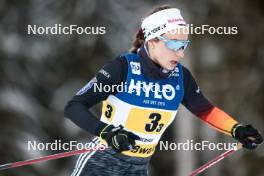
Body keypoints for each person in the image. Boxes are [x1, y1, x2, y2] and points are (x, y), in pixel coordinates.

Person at [64, 4, 263, 176]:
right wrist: (107, 132)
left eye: (184, 45)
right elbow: (74, 106)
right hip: (102, 162)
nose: (181, 53)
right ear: (152, 41)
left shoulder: (180, 77)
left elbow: (205, 110)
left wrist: (236, 129)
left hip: (139, 166)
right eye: (175, 44)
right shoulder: (122, 68)